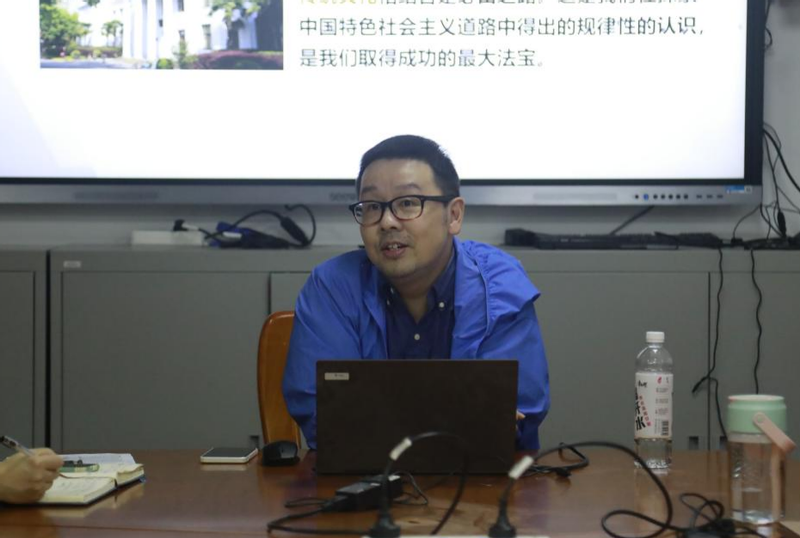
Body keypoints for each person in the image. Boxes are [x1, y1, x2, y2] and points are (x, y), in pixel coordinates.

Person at [282, 135, 549, 450]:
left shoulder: (500, 287)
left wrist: (383, 418)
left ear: (454, 215)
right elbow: (325, 415)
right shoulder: (333, 287)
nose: (387, 222)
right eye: (372, 207)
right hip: (363, 477)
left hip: (479, 478)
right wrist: (458, 417)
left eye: (407, 203)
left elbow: (515, 415)